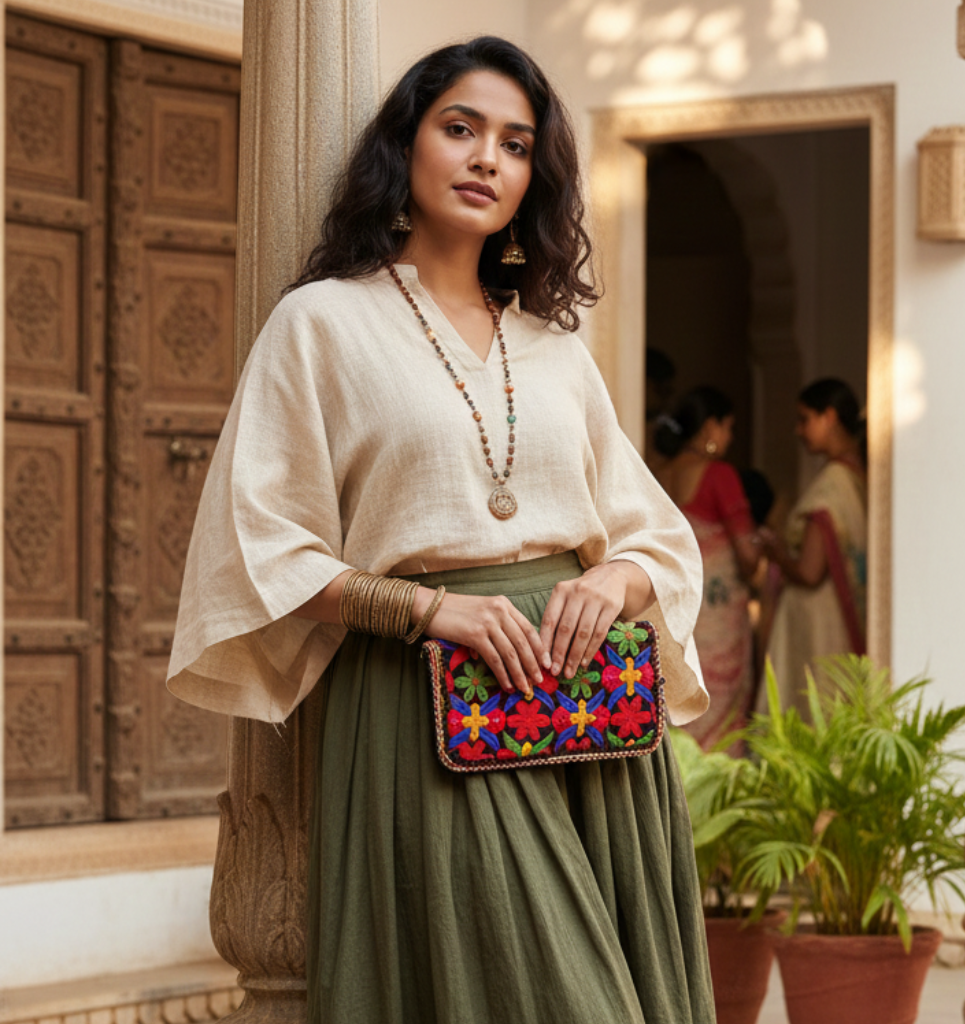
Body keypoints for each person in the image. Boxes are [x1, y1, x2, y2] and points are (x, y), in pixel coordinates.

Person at [166, 37, 714, 1024]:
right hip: (424, 707)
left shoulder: (552, 349)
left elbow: (658, 537)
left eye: (513, 143)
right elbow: (259, 546)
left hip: (589, 706)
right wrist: (425, 608)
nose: (485, 159)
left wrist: (613, 581)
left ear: (530, 179)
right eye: (459, 129)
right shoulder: (322, 325)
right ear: (404, 146)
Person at [654, 386, 760, 750]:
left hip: (675, 612)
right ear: (710, 427)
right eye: (727, 427)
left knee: (680, 694)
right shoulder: (720, 476)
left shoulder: (659, 473)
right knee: (720, 702)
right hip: (718, 617)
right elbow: (748, 555)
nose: (729, 437)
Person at [758, 378, 868, 716]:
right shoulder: (860, 477)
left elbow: (808, 571)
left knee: (810, 713)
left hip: (817, 624)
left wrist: (775, 552)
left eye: (805, 419)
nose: (799, 430)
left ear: (829, 417)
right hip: (838, 620)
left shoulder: (832, 484)